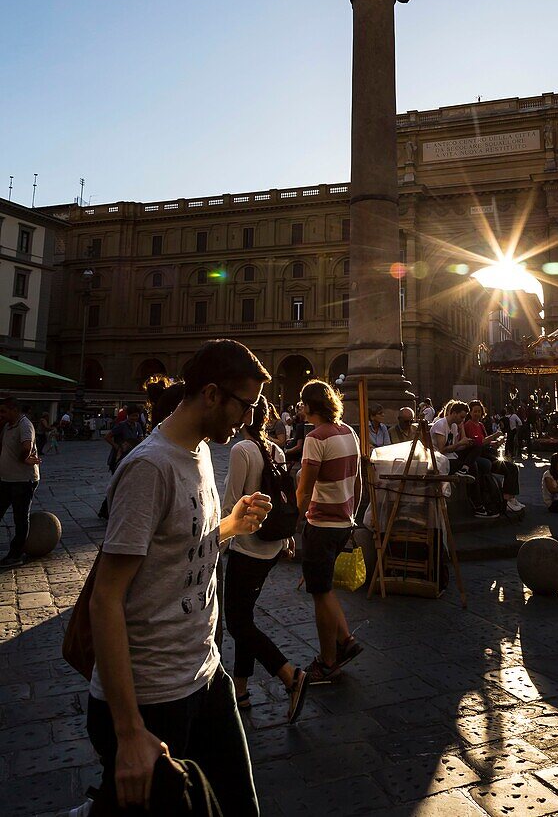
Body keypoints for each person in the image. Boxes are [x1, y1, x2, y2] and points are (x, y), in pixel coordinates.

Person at [85, 339, 272, 816]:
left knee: (240, 807)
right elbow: (105, 599)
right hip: (151, 698)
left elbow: (188, 543)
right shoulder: (149, 467)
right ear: (211, 394)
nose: (247, 420)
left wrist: (232, 523)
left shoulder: (201, 451)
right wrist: (129, 734)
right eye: (244, 405)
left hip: (206, 675)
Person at [222, 397, 309, 724]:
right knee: (245, 618)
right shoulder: (275, 450)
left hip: (247, 548)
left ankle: (290, 676)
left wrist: (214, 545)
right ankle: (241, 691)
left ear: (244, 414)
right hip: (271, 547)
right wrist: (286, 538)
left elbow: (233, 504)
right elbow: (279, 498)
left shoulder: (241, 450)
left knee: (237, 623)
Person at [296, 379, 362, 684]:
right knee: (325, 588)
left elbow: (304, 490)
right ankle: (346, 640)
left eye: (302, 403)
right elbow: (358, 481)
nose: (300, 408)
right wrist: (352, 515)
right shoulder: (350, 432)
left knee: (319, 593)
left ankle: (327, 661)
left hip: (321, 525)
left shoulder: (315, 438)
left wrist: (298, 519)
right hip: (344, 522)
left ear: (310, 406)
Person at [431, 400, 501, 518]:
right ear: (453, 413)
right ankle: (478, 506)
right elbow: (442, 449)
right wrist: (460, 444)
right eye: (461, 417)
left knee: (476, 449)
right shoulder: (441, 425)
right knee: (474, 467)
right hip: (441, 460)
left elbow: (456, 446)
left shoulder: (454, 425)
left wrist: (468, 443)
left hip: (452, 456)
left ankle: (465, 470)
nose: (462, 420)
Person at [0, 397, 40, 568]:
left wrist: (24, 459)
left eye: (4, 411)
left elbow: (27, 447)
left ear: (14, 410)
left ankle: (16, 554)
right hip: (6, 479)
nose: (1, 414)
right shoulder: (8, 426)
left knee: (20, 518)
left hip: (22, 481)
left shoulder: (24, 425)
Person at [464, 400, 524, 514]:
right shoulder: (469, 425)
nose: (477, 414)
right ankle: (506, 500)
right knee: (507, 468)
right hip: (478, 455)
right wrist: (494, 436)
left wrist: (495, 443)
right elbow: (478, 442)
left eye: (479, 411)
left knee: (513, 468)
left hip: (487, 453)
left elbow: (485, 442)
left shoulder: (481, 425)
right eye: (475, 411)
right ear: (470, 413)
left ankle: (510, 497)